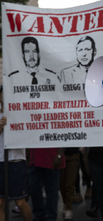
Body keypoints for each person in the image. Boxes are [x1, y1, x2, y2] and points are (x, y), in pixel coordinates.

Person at [0, 85, 32, 221]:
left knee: (20, 202)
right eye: (2, 94)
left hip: (16, 161)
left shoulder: (20, 111)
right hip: (0, 161)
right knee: (0, 203)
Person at [29, 147, 65, 221]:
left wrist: (59, 154)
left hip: (52, 157)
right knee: (34, 188)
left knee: (52, 190)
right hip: (35, 159)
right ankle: (39, 215)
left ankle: (51, 216)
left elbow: (64, 136)